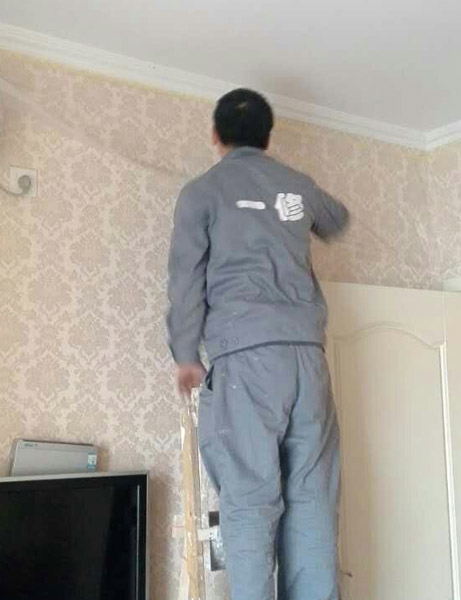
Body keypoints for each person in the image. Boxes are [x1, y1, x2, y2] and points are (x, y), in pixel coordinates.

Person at [166, 88, 350, 600]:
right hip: (307, 361)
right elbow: (336, 219)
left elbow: (185, 279)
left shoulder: (203, 192)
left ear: (215, 135)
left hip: (246, 361)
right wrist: (289, 204)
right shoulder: (296, 185)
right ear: (268, 137)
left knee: (249, 502)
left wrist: (186, 355)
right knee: (313, 498)